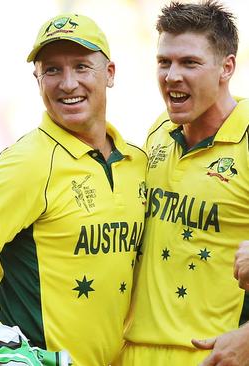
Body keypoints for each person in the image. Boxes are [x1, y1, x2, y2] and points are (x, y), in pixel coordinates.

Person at [0, 13, 147, 366]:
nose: (68, 83)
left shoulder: (138, 163)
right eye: (52, 70)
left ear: (109, 74)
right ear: (37, 79)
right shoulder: (27, 163)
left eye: (81, 66)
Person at [116, 2, 249, 365]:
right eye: (164, 62)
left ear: (227, 67)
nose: (172, 76)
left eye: (189, 63)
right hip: (130, 351)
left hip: (210, 354)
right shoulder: (160, 130)